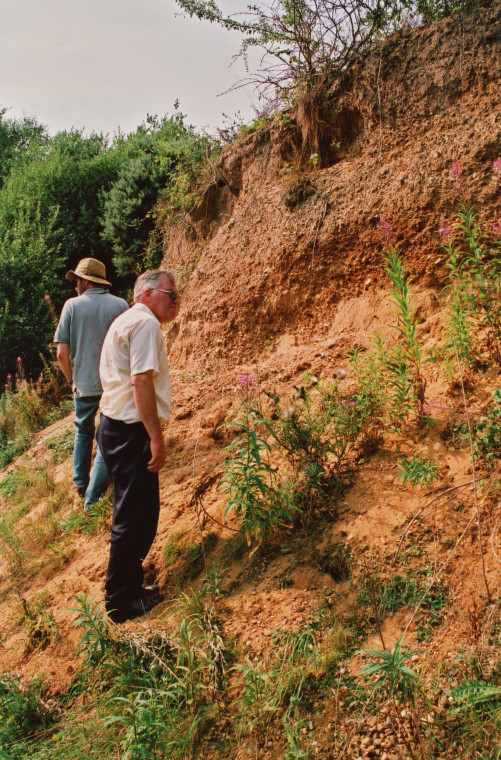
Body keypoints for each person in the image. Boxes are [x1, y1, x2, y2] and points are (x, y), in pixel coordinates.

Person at [97, 269, 179, 623]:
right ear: (147, 294)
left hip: (116, 428)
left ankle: (131, 587)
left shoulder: (127, 320)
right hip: (130, 433)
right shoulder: (145, 324)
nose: (176, 302)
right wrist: (156, 438)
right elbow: (140, 381)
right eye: (171, 294)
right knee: (133, 517)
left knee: (139, 512)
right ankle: (120, 600)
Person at [54, 258, 128, 510]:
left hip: (84, 383)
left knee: (83, 432)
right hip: (114, 384)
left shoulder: (71, 306)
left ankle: (80, 483)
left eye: (77, 280)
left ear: (86, 280)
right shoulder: (120, 305)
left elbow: (61, 354)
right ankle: (99, 488)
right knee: (109, 433)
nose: (75, 285)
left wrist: (72, 379)